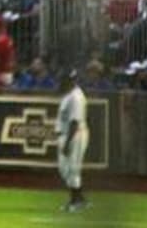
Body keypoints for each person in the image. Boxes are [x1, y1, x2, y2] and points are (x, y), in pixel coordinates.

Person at [57, 69, 89, 212]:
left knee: (72, 169)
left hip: (74, 134)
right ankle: (80, 199)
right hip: (69, 134)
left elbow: (74, 122)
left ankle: (75, 202)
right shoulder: (69, 94)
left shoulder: (76, 97)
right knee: (65, 170)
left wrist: (68, 143)